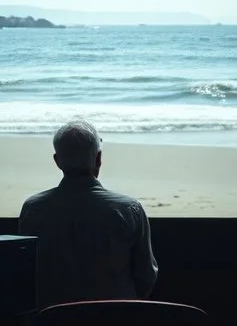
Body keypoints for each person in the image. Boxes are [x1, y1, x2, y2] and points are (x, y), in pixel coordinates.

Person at [18, 119, 158, 309]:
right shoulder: (129, 209)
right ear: (98, 158)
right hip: (118, 321)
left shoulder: (33, 209)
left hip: (53, 325)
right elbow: (146, 275)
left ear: (57, 161)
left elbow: (26, 272)